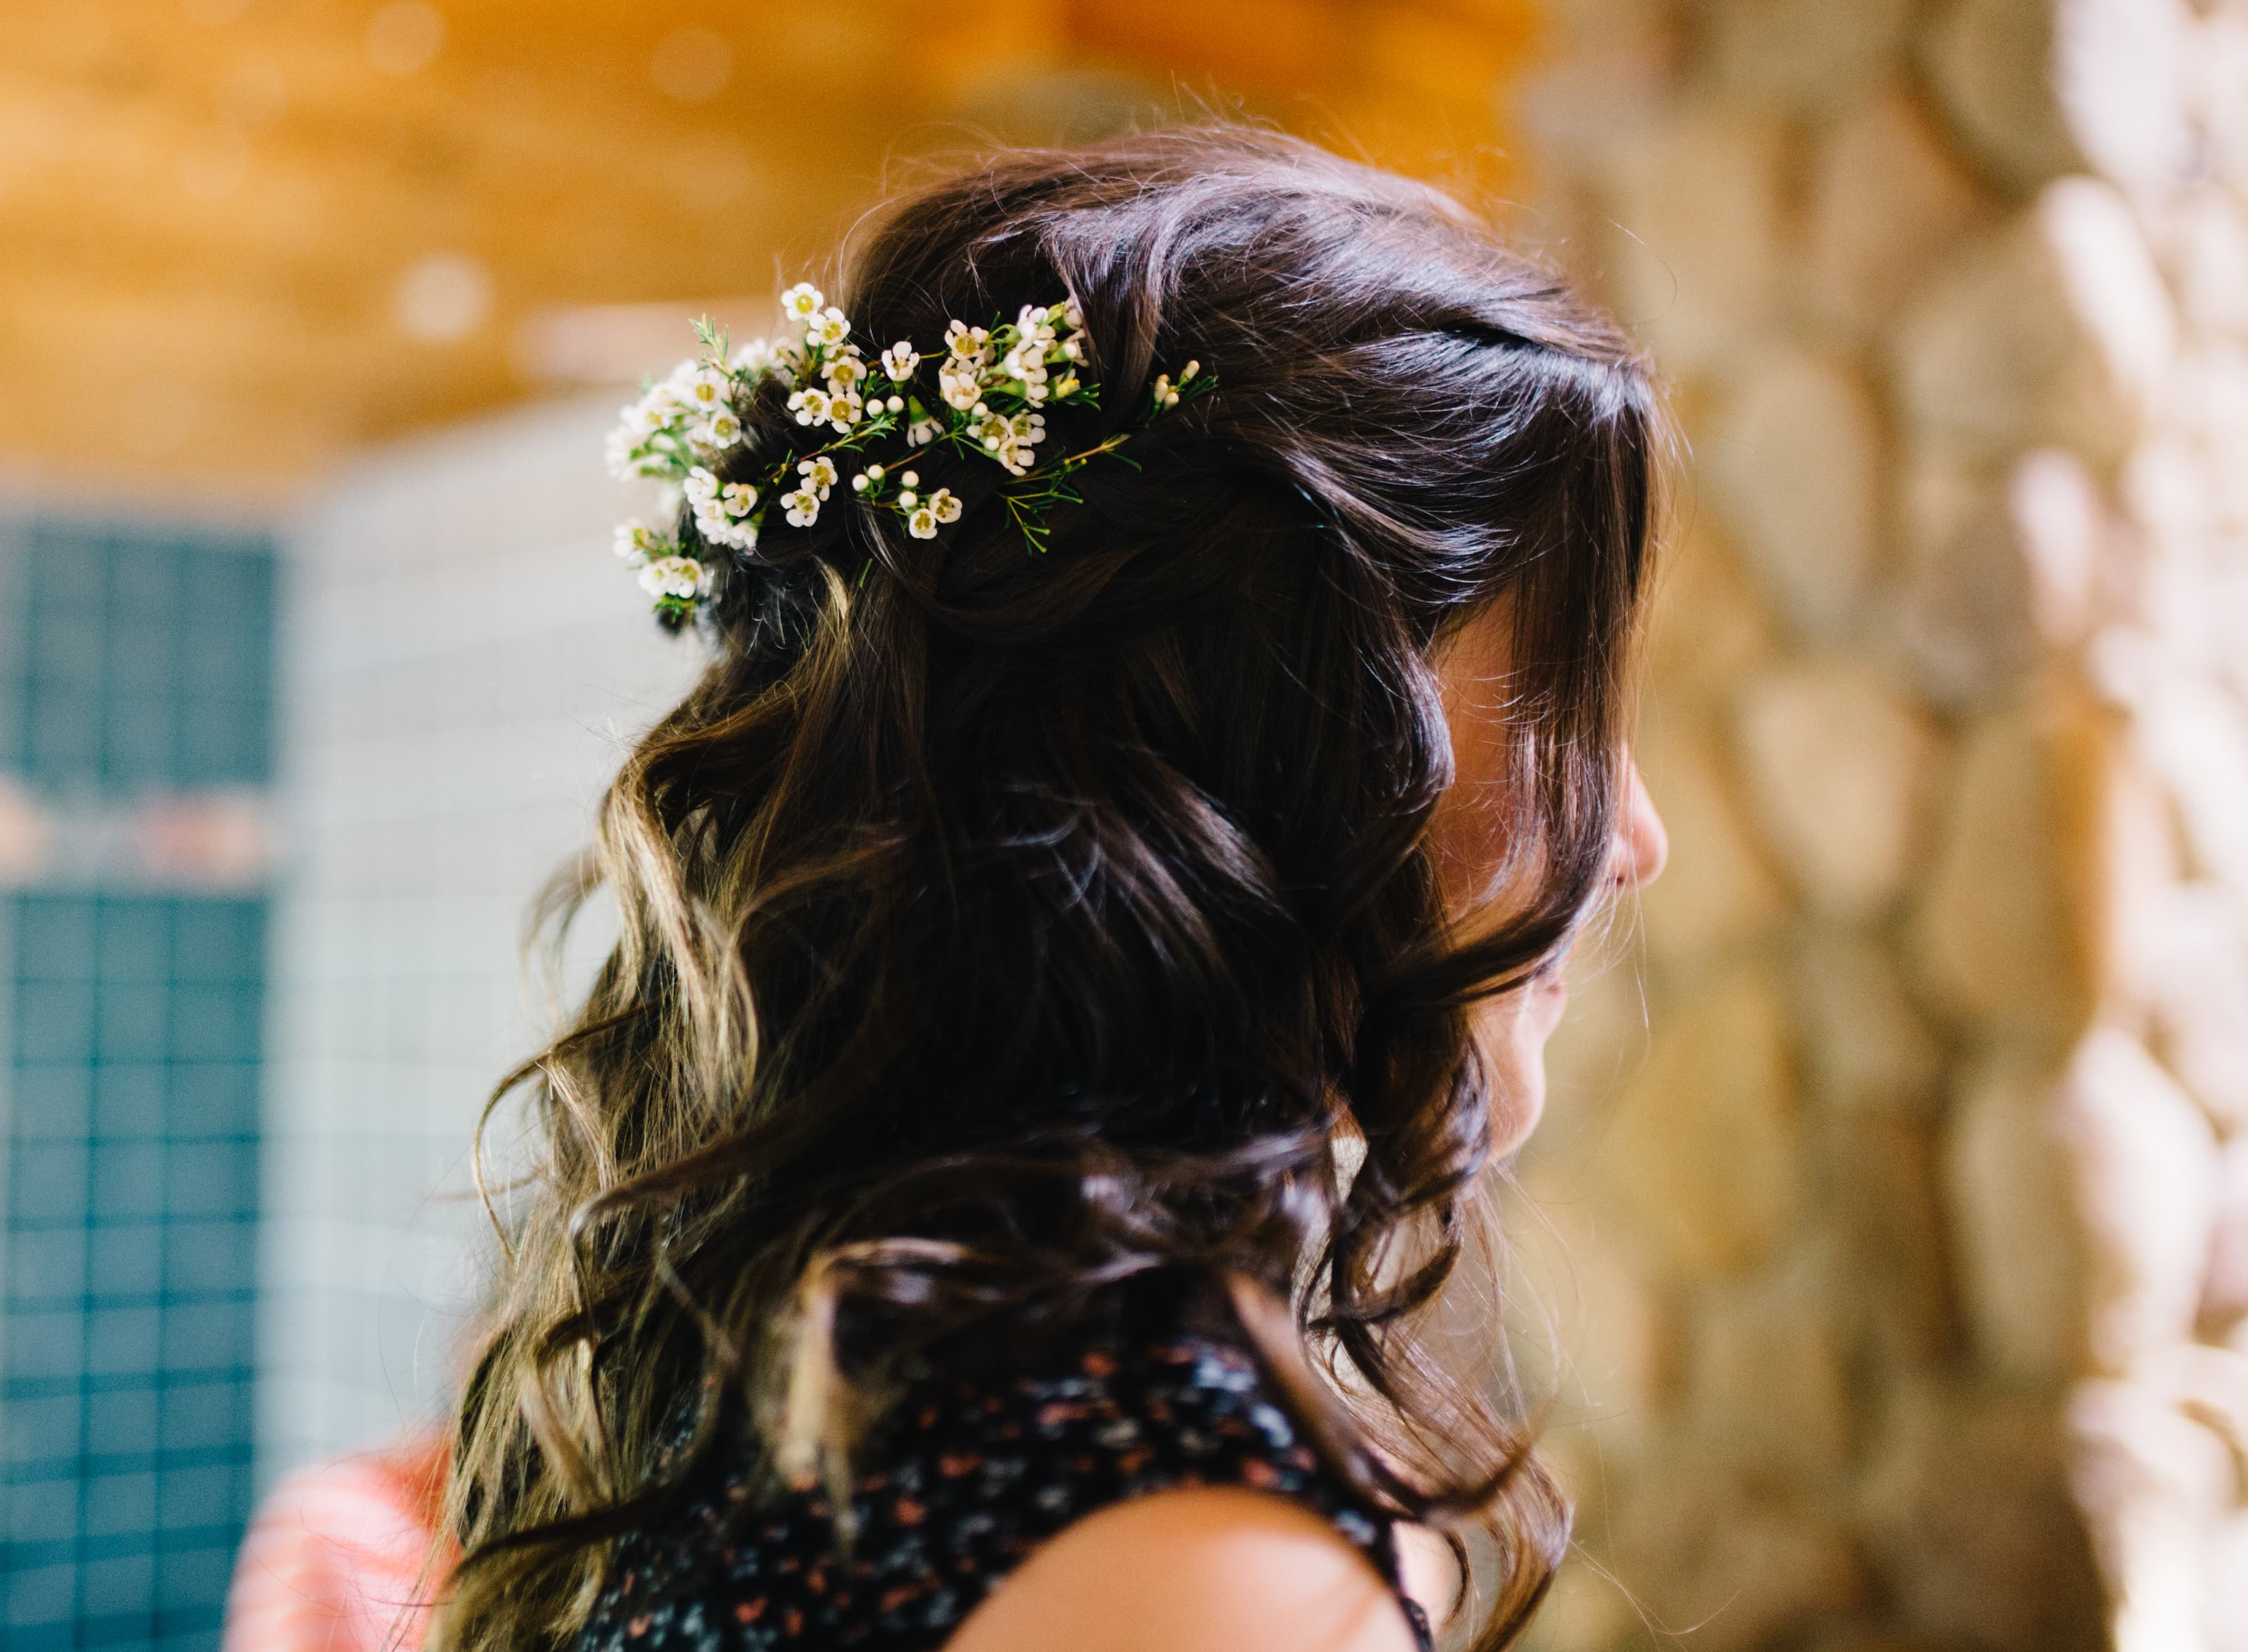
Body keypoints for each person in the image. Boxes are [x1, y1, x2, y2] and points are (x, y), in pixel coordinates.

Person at [435, 126, 1668, 1652]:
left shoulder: (780, 1320)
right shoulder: (1179, 1558)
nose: (1633, 832)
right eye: (1560, 705)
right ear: (1275, 728)